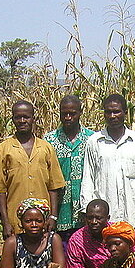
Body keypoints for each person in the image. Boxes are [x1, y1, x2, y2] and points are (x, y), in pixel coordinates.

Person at [0, 101, 66, 240]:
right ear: (12, 120)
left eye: (26, 117)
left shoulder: (46, 148)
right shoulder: (2, 150)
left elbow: (54, 186)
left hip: (43, 221)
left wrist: (53, 217)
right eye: (18, 117)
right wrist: (5, 222)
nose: (22, 121)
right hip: (15, 221)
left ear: (33, 119)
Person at [80, 94, 135, 227]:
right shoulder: (94, 141)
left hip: (132, 217)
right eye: (108, 112)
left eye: (116, 111)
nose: (112, 116)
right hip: (104, 219)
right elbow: (88, 179)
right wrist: (87, 210)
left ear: (125, 113)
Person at [43, 95, 95, 242]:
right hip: (59, 211)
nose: (68, 117)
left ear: (80, 112)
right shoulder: (49, 140)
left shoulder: (92, 139)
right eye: (64, 114)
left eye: (72, 113)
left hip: (84, 211)